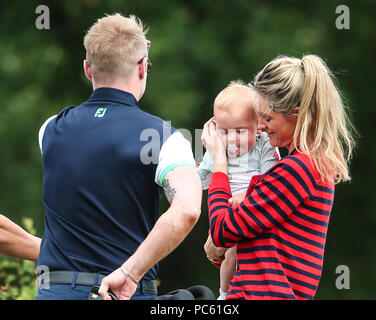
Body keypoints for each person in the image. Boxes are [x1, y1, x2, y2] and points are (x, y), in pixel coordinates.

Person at [35, 13, 202, 300]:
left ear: (88, 69)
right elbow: (186, 210)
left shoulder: (51, 129)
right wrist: (130, 273)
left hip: (53, 292)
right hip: (122, 294)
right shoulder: (164, 137)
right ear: (142, 68)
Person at [202, 54, 355, 300]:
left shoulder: (295, 170)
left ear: (296, 115)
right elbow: (261, 247)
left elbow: (221, 230)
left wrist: (219, 162)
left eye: (268, 117)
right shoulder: (312, 167)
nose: (260, 126)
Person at [196, 81, 279, 299]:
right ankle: (224, 293)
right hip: (224, 216)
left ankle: (227, 293)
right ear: (214, 128)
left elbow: (270, 178)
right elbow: (198, 178)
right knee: (229, 252)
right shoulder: (215, 151)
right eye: (225, 131)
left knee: (237, 253)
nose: (232, 139)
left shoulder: (264, 146)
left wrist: (249, 193)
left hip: (252, 213)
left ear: (258, 126)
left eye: (241, 131)